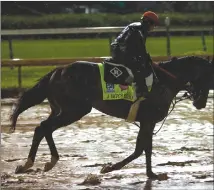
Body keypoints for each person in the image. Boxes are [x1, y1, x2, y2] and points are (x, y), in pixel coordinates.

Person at [110, 11, 159, 98]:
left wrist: (146, 57)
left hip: (118, 50)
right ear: (148, 22)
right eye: (154, 25)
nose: (153, 27)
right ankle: (140, 92)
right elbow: (140, 50)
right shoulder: (139, 30)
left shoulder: (137, 26)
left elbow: (139, 49)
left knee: (141, 62)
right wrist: (147, 59)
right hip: (121, 52)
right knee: (139, 67)